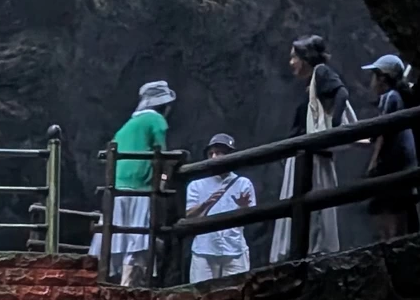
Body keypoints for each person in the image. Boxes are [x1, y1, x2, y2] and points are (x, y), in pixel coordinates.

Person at [269, 36, 357, 260]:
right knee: (303, 201)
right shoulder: (311, 84)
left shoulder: (322, 73)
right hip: (305, 154)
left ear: (306, 58)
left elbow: (342, 93)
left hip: (313, 156)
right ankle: (303, 249)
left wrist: (334, 128)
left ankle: (313, 250)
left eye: (294, 57)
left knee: (313, 202)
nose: (291, 62)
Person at [108, 77, 175, 286]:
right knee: (139, 238)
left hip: (118, 186)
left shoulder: (126, 126)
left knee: (120, 235)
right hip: (141, 186)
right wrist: (164, 178)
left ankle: (114, 282)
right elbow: (161, 152)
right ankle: (130, 287)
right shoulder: (155, 120)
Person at [360, 51, 420, 241]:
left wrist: (372, 164)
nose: (371, 82)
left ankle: (393, 247)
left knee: (391, 214)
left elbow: (383, 133)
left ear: (382, 78)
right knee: (400, 211)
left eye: (374, 75)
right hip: (404, 164)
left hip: (394, 166)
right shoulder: (400, 97)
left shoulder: (390, 97)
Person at [183, 133, 257, 282]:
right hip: (204, 249)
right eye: (211, 153)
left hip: (235, 249)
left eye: (220, 152)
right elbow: (188, 215)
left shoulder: (243, 184)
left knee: (235, 295)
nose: (215, 157)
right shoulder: (197, 185)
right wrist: (205, 204)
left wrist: (244, 207)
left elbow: (251, 219)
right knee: (200, 294)